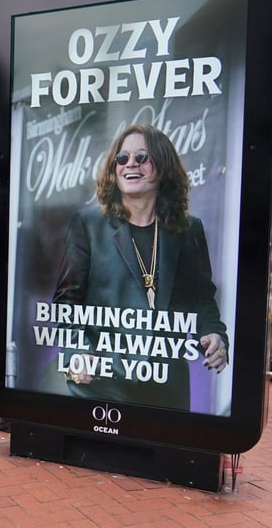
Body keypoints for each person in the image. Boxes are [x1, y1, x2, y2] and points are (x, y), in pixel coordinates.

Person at [52, 123, 228, 409]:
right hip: (100, 379)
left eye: (142, 157)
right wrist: (76, 351)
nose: (130, 164)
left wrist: (214, 334)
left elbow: (202, 299)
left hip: (166, 384)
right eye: (122, 158)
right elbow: (65, 302)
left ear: (163, 166)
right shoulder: (88, 224)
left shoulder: (188, 229)